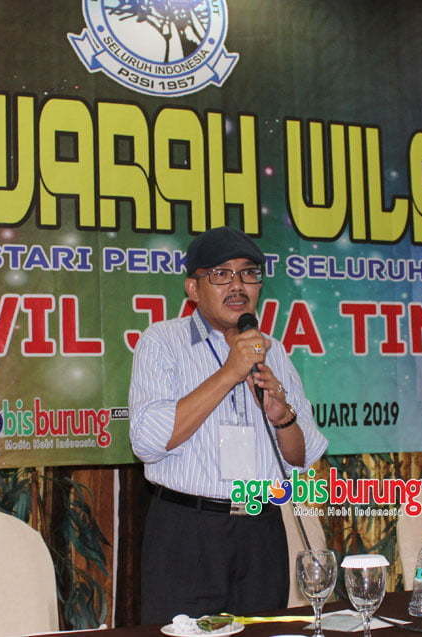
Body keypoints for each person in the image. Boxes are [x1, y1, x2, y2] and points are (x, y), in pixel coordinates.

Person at [129, 226, 328, 624]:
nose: (237, 286)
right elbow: (147, 441)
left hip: (261, 531)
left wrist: (283, 418)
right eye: (221, 274)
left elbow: (301, 456)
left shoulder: (273, 351)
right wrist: (230, 372)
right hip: (188, 533)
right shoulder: (162, 342)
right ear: (193, 288)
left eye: (248, 273)